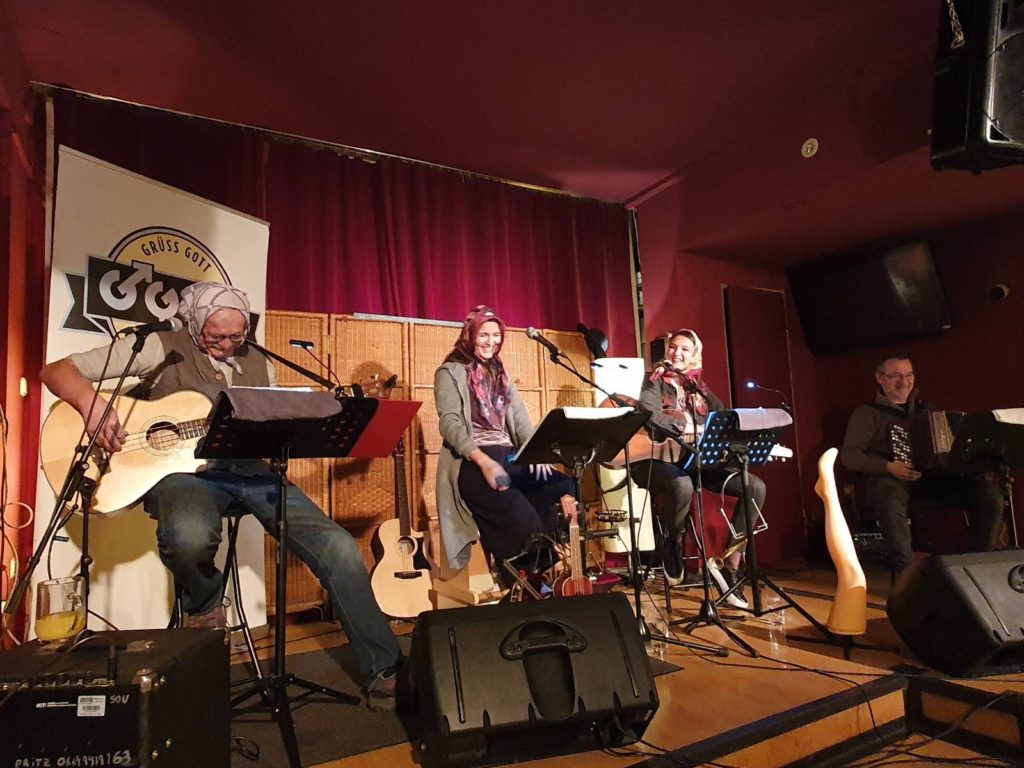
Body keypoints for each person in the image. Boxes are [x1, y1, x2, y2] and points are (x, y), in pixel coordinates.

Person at [39, 281, 403, 711]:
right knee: (189, 534)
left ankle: (385, 667)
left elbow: (272, 422)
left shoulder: (260, 362)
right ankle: (205, 604)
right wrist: (92, 404)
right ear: (194, 324)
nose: (228, 345)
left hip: (248, 471)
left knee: (338, 545)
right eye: (215, 338)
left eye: (236, 336)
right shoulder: (160, 346)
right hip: (184, 478)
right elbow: (56, 370)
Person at [434, 305, 574, 587]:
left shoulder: (501, 372)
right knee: (524, 522)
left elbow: (520, 419)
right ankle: (530, 586)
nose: (491, 342)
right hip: (474, 461)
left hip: (508, 455)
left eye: (496, 335)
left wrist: (535, 453)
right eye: (484, 335)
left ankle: (540, 575)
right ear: (470, 335)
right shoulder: (450, 372)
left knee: (563, 486)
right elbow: (449, 424)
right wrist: (484, 462)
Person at [630, 329, 765, 608]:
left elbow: (724, 417)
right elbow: (649, 414)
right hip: (658, 461)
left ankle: (730, 565)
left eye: (685, 349)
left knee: (755, 487)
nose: (677, 353)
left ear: (695, 355)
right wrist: (686, 426)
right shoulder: (654, 380)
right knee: (682, 484)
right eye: (673, 347)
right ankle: (673, 543)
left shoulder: (698, 387)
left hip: (695, 461)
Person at [839, 355, 1004, 575]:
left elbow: (946, 451)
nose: (904, 381)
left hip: (931, 480)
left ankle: (975, 569)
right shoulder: (867, 413)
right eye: (896, 376)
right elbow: (849, 456)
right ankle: (906, 575)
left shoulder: (926, 409)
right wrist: (889, 466)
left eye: (909, 375)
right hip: (892, 480)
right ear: (880, 378)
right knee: (888, 496)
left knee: (989, 494)